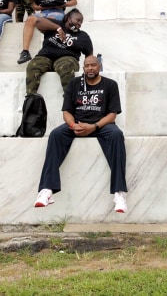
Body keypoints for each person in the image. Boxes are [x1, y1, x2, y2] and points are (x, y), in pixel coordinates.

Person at [34, 55, 128, 213]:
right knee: (56, 134)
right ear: (83, 68)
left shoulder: (110, 85)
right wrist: (73, 125)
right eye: (87, 66)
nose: (90, 68)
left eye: (93, 65)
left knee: (116, 135)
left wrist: (94, 126)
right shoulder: (74, 83)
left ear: (99, 67)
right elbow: (66, 112)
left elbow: (112, 115)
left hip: (101, 125)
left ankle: (119, 194)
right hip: (77, 124)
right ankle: (47, 190)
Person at [17, 0, 77, 64]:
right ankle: (25, 51)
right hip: (44, 11)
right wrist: (42, 7)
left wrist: (62, 4)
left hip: (56, 11)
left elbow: (74, 1)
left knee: (51, 20)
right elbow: (34, 5)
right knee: (30, 19)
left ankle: (49, 50)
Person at [25, 9, 94, 95]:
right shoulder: (56, 24)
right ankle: (31, 98)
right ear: (69, 18)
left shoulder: (83, 36)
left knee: (66, 66)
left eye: (81, 22)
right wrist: (57, 28)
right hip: (46, 56)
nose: (79, 24)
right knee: (33, 66)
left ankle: (70, 100)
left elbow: (89, 55)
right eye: (78, 20)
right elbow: (37, 21)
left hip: (67, 58)